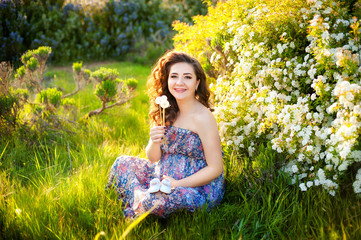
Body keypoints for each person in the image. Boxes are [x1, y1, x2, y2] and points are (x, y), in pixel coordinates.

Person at [106, 51, 225, 218]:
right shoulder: (165, 110)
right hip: (161, 175)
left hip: (194, 187)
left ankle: (142, 199)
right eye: (174, 76)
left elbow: (215, 168)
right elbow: (153, 158)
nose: (179, 83)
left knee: (158, 200)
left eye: (187, 77)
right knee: (122, 163)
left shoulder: (203, 118)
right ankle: (142, 197)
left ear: (197, 83)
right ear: (167, 80)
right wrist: (154, 141)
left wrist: (177, 184)